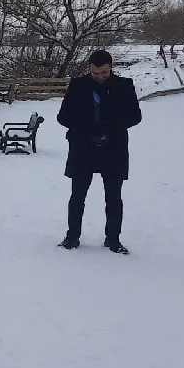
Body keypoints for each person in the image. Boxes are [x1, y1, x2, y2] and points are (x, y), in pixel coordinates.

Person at [55, 49, 142, 254]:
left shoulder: (124, 86)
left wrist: (111, 127)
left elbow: (135, 116)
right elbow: (63, 117)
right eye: (95, 73)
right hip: (83, 148)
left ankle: (113, 240)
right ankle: (72, 237)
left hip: (114, 149)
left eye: (104, 73)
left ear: (111, 68)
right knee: (77, 196)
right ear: (89, 69)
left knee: (113, 197)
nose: (100, 77)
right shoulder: (78, 86)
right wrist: (86, 128)